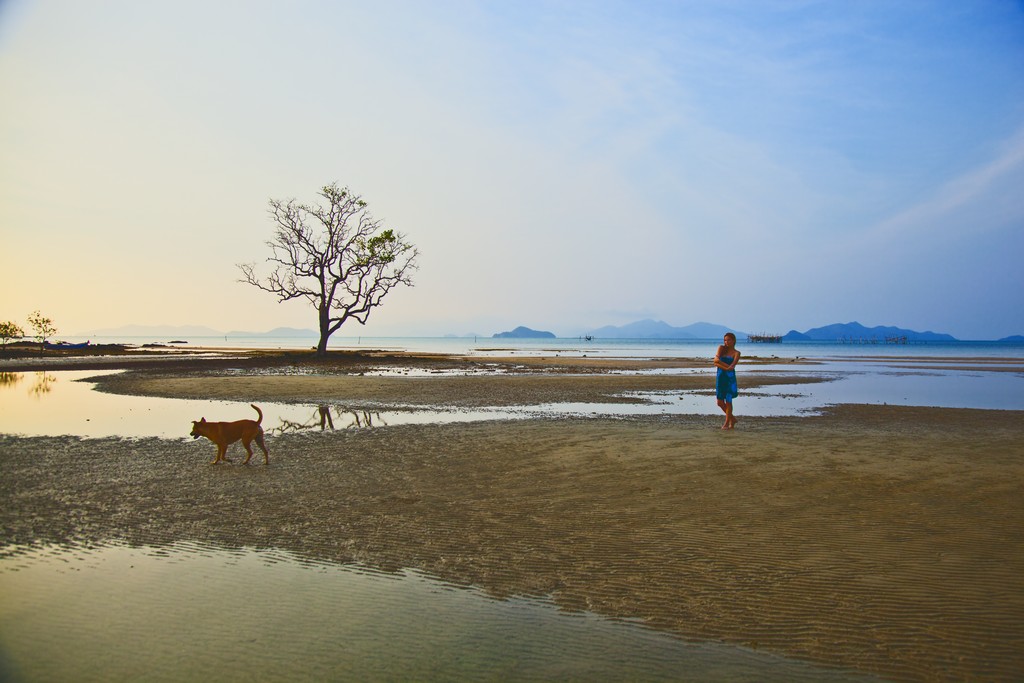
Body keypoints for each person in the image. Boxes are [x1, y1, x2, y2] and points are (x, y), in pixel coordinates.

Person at [714, 333, 740, 429]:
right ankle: (732, 419)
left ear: (733, 340)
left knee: (728, 401)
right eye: (725, 340)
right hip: (720, 377)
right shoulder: (721, 348)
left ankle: (727, 423)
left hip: (730, 379)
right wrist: (726, 366)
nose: (726, 342)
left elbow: (732, 367)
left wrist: (720, 362)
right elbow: (715, 362)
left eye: (728, 340)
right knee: (719, 402)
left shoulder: (737, 353)